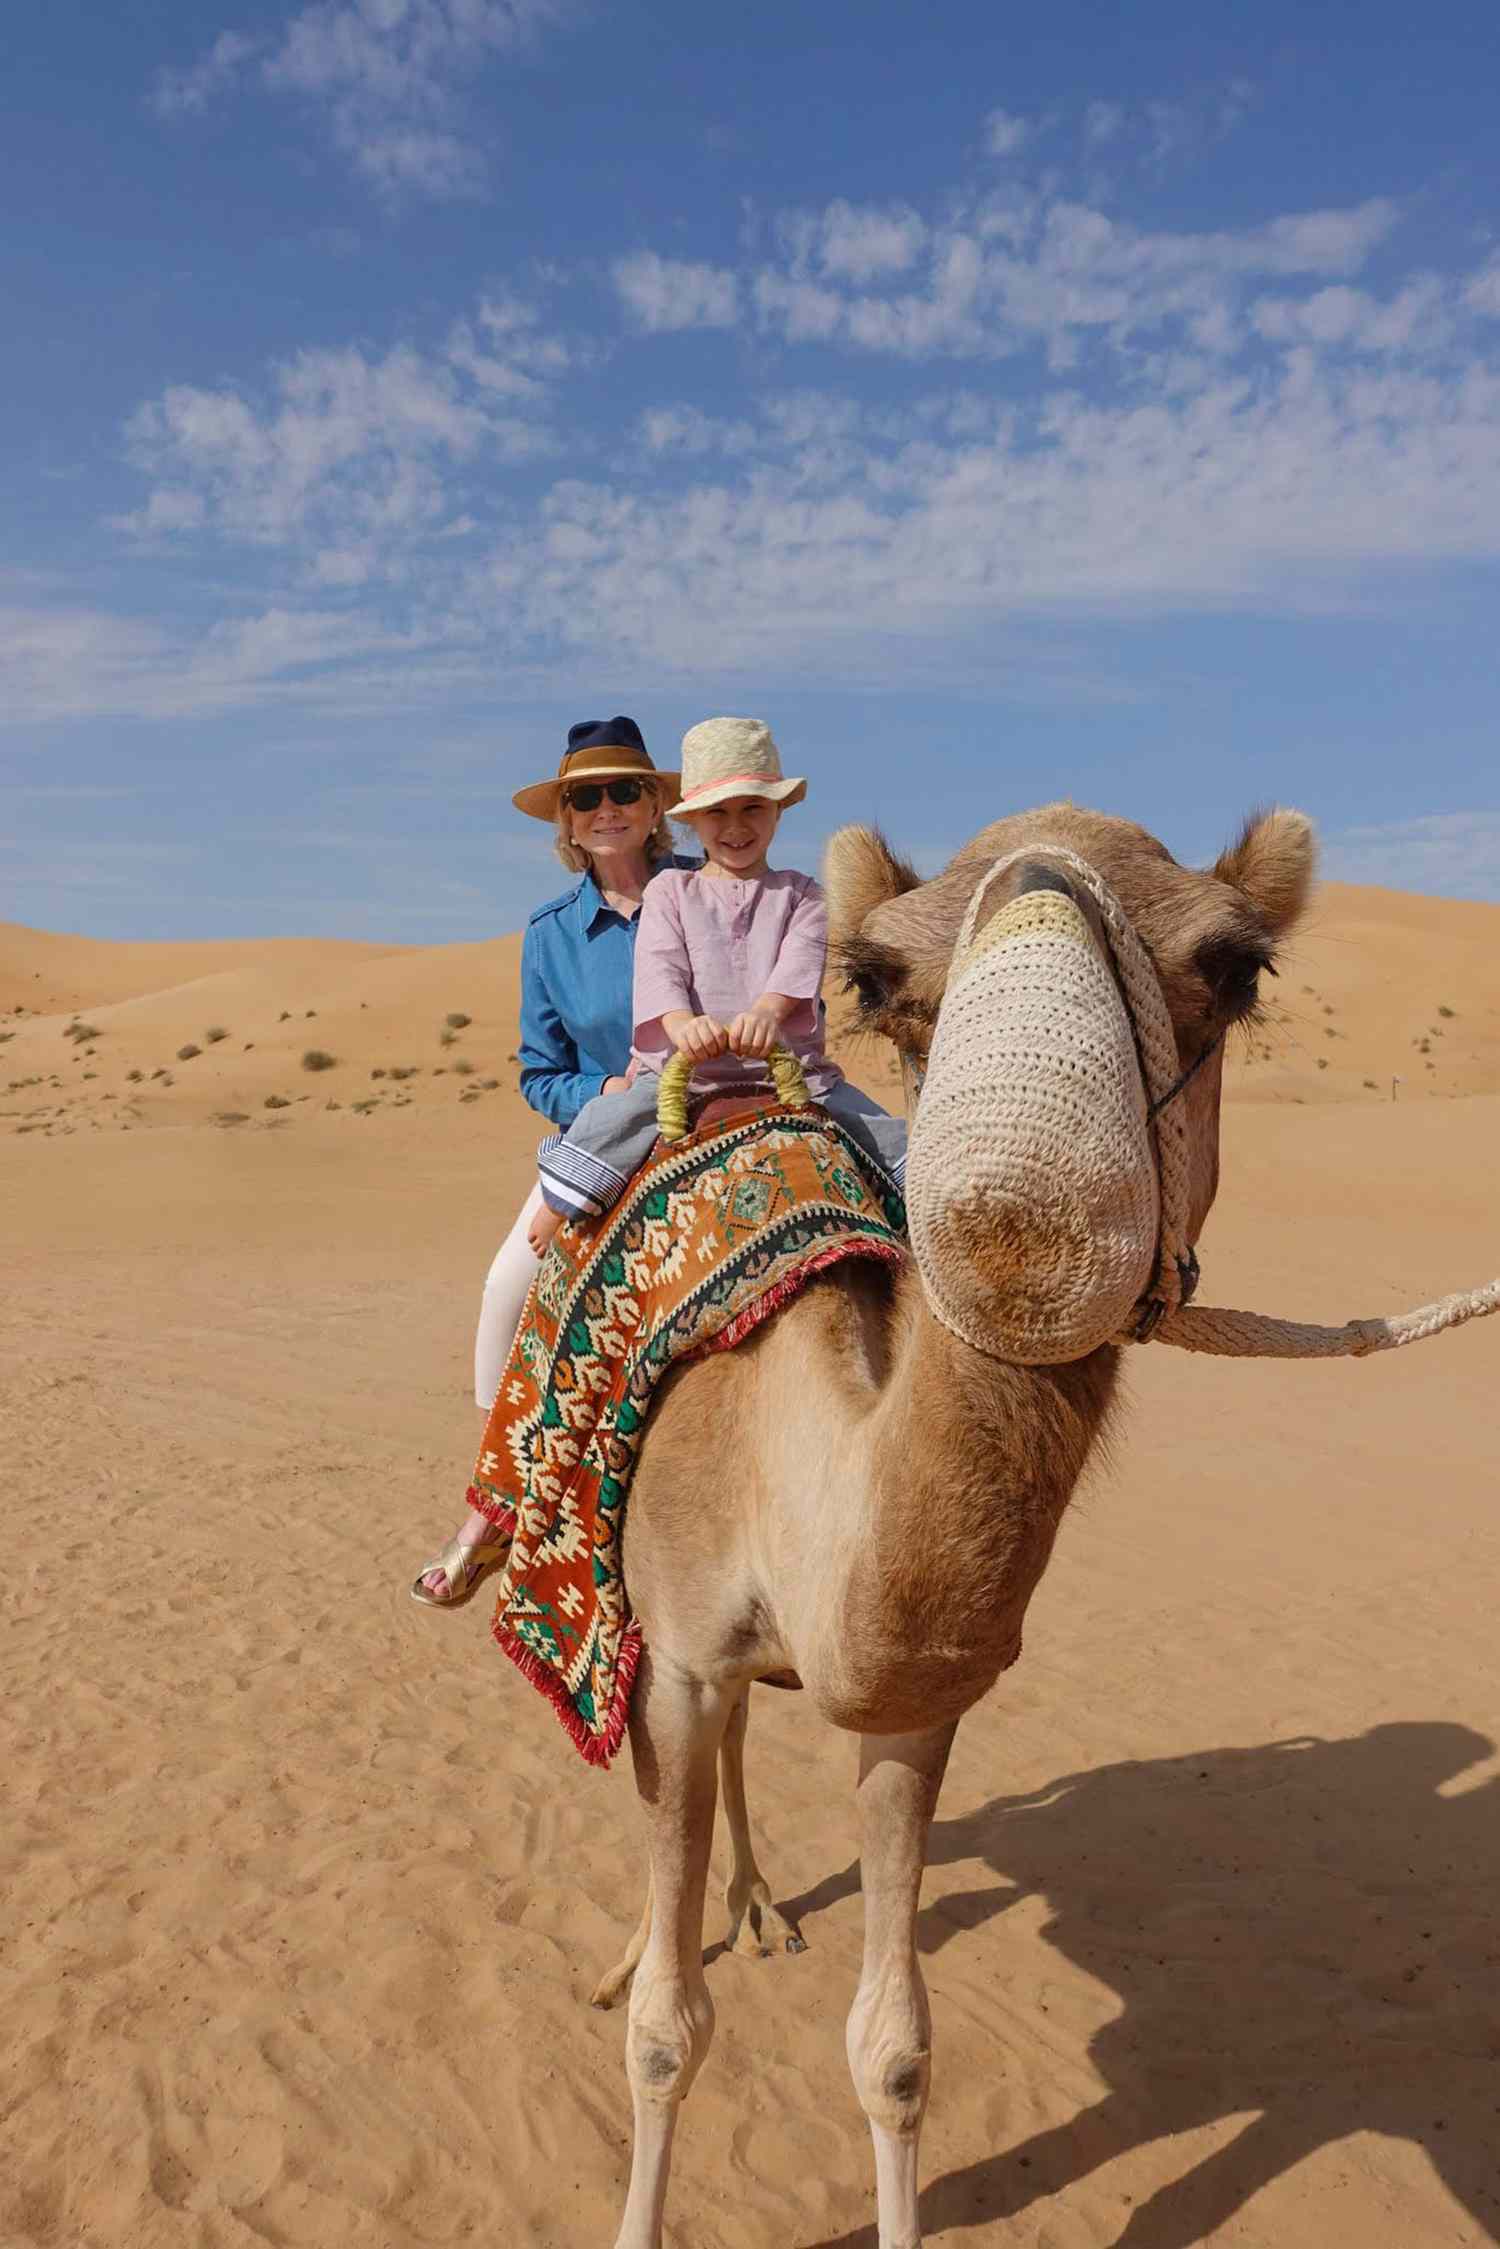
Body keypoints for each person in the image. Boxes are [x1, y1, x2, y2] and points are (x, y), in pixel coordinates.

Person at [411, 716, 684, 1607]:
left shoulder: (707, 894)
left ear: (654, 806)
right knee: (505, 1288)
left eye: (623, 791)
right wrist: (603, 1096)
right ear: (566, 821)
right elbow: (541, 1071)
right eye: (585, 797)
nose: (606, 809)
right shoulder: (550, 934)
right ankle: (502, 1502)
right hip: (600, 1141)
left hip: (715, 1120)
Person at [528, 715, 906, 1249]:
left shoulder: (804, 896)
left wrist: (768, 1015)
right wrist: (682, 1026)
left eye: (753, 806)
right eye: (716, 813)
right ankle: (559, 1203)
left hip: (789, 1074)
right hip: (682, 1077)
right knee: (612, 1122)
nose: (735, 826)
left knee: (892, 1145)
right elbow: (661, 972)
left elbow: (798, 970)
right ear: (692, 821)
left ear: (778, 810)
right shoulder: (669, 894)